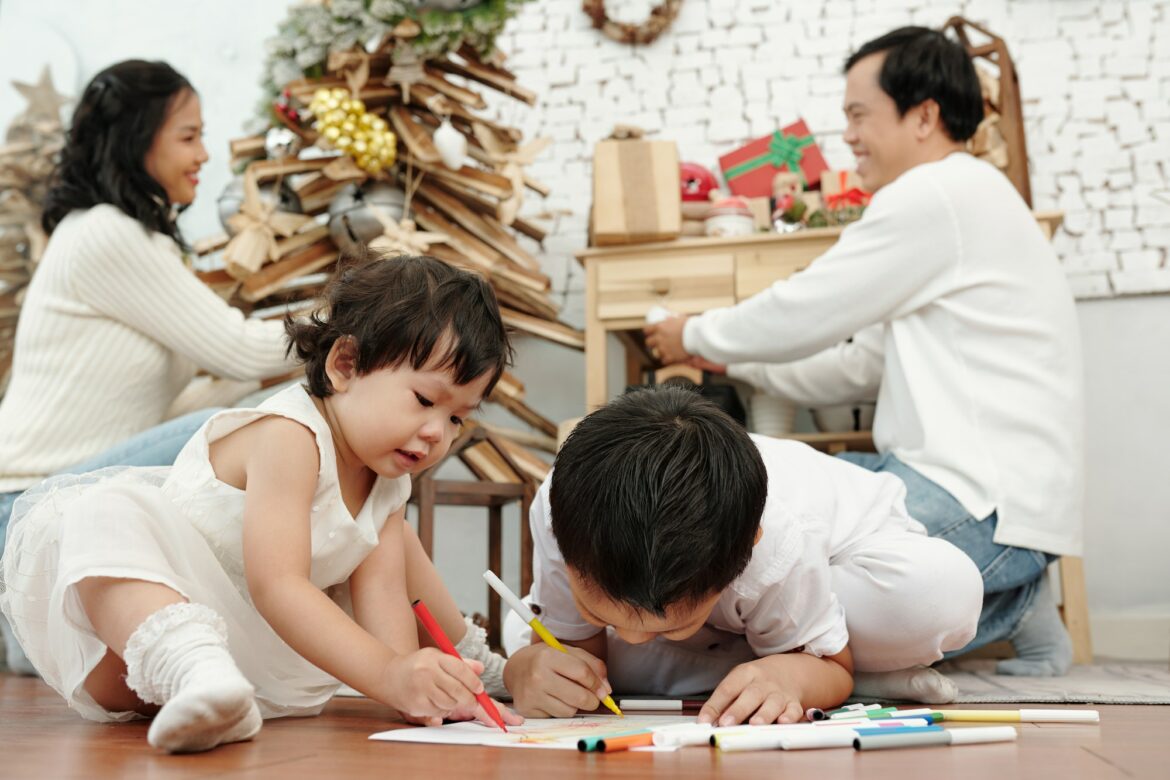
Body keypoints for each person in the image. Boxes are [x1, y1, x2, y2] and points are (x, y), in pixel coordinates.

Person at [644, 27, 1083, 677]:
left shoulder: (936, 194)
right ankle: (1014, 598)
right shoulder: (964, 200)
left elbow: (809, 307)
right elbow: (855, 367)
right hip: (977, 494)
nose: (847, 136)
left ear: (924, 116)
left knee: (788, 615)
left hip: (980, 502)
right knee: (792, 576)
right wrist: (729, 360)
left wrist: (695, 334)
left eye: (857, 115)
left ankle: (1010, 603)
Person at [0, 254, 522, 752]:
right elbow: (278, 585)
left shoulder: (388, 484)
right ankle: (195, 670)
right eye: (425, 400)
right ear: (345, 365)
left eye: (457, 418)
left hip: (257, 665)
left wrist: (416, 685)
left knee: (395, 545)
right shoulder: (291, 435)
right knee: (101, 507)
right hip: (138, 649)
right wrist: (388, 674)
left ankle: (216, 686)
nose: (437, 433)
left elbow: (385, 602)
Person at [0, 60, 299, 672]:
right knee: (237, 432)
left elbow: (194, 389)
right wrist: (355, 324)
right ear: (139, 139)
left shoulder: (125, 238)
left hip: (47, 496)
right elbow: (239, 349)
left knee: (230, 424)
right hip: (18, 503)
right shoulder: (107, 235)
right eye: (188, 136)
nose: (205, 154)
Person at [503, 387, 982, 725]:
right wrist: (528, 670)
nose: (631, 636)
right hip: (701, 605)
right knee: (529, 640)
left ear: (741, 557)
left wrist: (801, 673)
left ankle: (770, 660)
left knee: (940, 593)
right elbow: (579, 655)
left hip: (842, 567)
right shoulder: (558, 509)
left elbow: (833, 668)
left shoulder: (777, 538)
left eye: (668, 627)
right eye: (596, 609)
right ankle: (760, 663)